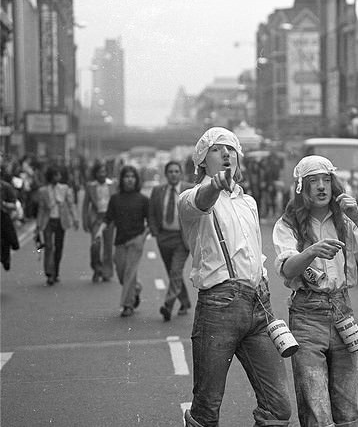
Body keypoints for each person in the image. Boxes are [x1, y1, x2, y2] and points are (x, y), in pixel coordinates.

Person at [178, 127, 291, 427]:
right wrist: (214, 186)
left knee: (278, 409)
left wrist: (263, 282)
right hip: (218, 308)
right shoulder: (191, 198)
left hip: (258, 306)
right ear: (202, 160)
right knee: (207, 409)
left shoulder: (248, 202)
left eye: (231, 149)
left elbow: (256, 252)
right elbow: (201, 201)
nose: (226, 153)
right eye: (217, 149)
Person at [272, 155, 358, 427]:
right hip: (306, 314)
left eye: (326, 180)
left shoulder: (345, 221)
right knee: (315, 404)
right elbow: (288, 270)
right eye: (313, 181)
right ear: (302, 187)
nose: (322, 187)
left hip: (342, 310)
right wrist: (312, 251)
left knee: (348, 404)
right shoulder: (287, 224)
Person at [94, 165, 149, 317]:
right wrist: (99, 232)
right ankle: (136, 288)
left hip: (136, 240)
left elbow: (150, 222)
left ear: (136, 180)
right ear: (122, 180)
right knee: (121, 274)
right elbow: (108, 218)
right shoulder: (115, 199)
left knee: (130, 273)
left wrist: (143, 237)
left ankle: (127, 306)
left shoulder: (143, 200)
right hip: (119, 242)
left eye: (132, 176)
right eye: (127, 176)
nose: (130, 179)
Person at [148, 160, 193, 321]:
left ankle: (168, 305)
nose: (173, 174)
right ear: (166, 174)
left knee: (175, 271)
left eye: (176, 171)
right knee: (173, 273)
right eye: (170, 172)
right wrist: (155, 232)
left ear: (180, 173)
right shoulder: (158, 191)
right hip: (164, 237)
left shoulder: (189, 189)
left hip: (182, 239)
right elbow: (152, 212)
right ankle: (185, 302)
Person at [35, 165, 79, 285]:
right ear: (51, 176)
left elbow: (71, 204)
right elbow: (41, 209)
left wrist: (75, 218)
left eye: (58, 174)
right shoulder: (43, 191)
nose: (57, 177)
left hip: (60, 220)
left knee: (59, 247)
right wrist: (38, 225)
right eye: (55, 175)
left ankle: (55, 272)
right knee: (49, 246)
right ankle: (49, 273)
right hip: (48, 221)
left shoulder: (65, 189)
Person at [82, 161, 117, 283]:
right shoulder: (90, 186)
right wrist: (85, 220)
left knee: (108, 246)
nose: (102, 174)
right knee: (95, 245)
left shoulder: (113, 185)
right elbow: (86, 205)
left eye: (104, 172)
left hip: (110, 218)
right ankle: (97, 267)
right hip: (96, 218)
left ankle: (106, 272)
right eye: (99, 172)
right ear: (95, 174)